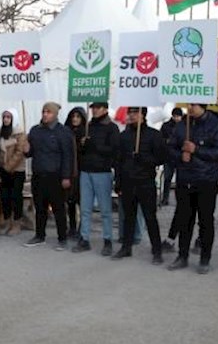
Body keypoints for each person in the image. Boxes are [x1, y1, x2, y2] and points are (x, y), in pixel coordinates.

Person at [166, 103, 218, 274]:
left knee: (206, 221)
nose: (190, 108)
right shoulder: (182, 125)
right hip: (184, 180)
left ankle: (204, 258)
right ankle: (182, 256)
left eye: (193, 105)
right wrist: (181, 155)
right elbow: (170, 149)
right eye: (189, 104)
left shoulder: (215, 126)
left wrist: (196, 150)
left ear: (202, 105)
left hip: (206, 181)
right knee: (185, 220)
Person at [112, 107, 167, 264]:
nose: (132, 116)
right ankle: (126, 247)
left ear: (143, 115)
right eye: (131, 113)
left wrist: (144, 158)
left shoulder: (154, 135)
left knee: (150, 217)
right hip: (128, 182)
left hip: (146, 182)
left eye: (136, 113)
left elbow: (162, 158)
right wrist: (118, 181)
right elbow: (118, 161)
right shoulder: (124, 136)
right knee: (128, 217)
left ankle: (157, 250)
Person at [21, 102, 74, 250]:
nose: (45, 114)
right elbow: (30, 153)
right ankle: (39, 235)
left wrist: (66, 176)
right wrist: (26, 150)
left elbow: (67, 156)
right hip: (38, 175)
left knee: (58, 208)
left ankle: (62, 238)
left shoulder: (63, 132)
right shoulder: (35, 130)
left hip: (55, 176)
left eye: (48, 112)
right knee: (40, 207)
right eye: (44, 111)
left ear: (55, 114)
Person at [72, 102, 120, 256]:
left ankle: (107, 240)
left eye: (97, 108)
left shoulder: (111, 128)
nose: (94, 110)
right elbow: (81, 150)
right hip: (86, 171)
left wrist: (95, 146)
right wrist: (83, 145)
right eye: (92, 108)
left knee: (105, 210)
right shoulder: (88, 126)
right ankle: (84, 238)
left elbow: (114, 150)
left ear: (105, 109)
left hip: (102, 172)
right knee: (85, 208)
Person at [0, 109, 27, 236]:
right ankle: (7, 221)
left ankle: (16, 224)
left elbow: (19, 152)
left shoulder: (20, 134)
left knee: (16, 197)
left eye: (9, 117)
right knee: (4, 197)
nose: (6, 119)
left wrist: (8, 167)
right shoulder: (0, 133)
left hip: (16, 170)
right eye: (4, 117)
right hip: (2, 170)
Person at [64, 107, 87, 239]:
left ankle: (81, 228)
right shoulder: (66, 132)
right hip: (69, 171)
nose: (75, 119)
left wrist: (86, 144)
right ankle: (72, 227)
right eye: (73, 116)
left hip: (82, 171)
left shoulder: (86, 133)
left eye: (78, 117)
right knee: (70, 201)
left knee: (82, 201)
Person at [159, 107, 183, 206]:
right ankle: (165, 198)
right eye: (175, 116)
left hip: (180, 156)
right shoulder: (166, 126)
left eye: (178, 116)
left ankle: (181, 200)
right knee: (167, 179)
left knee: (181, 180)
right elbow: (160, 139)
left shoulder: (184, 126)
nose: (177, 118)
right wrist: (166, 141)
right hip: (168, 156)